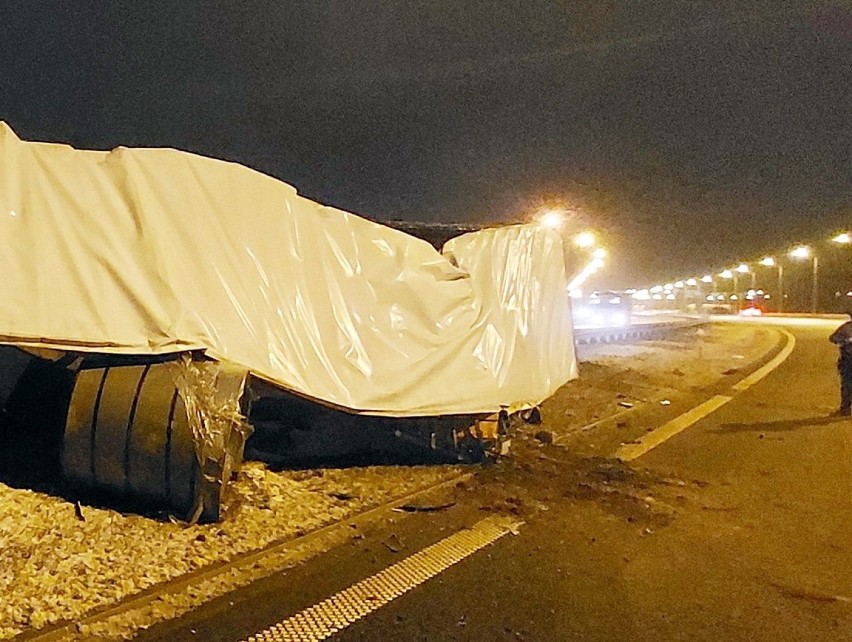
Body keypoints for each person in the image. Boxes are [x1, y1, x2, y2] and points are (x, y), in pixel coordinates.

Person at [829, 312, 852, 416]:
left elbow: (832, 338)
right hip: (847, 360)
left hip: (848, 360)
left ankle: (845, 409)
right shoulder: (846, 328)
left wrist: (844, 341)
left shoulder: (846, 328)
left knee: (847, 384)